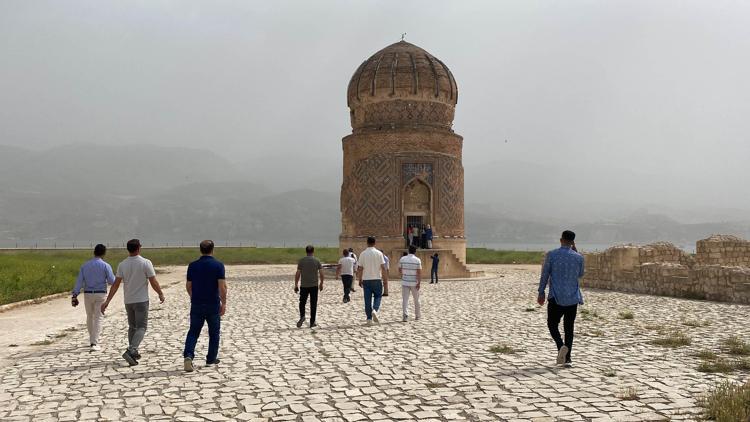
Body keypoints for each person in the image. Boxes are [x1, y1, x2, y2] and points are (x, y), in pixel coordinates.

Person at [101, 239, 165, 366]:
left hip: (128, 301)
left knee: (132, 327)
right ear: (139, 248)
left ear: (128, 249)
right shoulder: (146, 263)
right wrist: (160, 293)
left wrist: (108, 301)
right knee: (142, 327)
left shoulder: (122, 264)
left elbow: (116, 284)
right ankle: (131, 350)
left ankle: (133, 352)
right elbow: (153, 281)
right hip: (141, 300)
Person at [537, 230, 585, 367]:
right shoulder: (579, 257)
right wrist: (576, 251)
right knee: (569, 328)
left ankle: (560, 346)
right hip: (573, 297)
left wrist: (541, 292)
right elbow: (580, 274)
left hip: (556, 297)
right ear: (572, 242)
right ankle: (567, 358)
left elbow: (545, 274)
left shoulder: (552, 255)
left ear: (561, 240)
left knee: (552, 324)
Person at [183, 240, 227, 372]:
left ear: (200, 250)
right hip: (212, 303)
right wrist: (223, 302)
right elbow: (222, 287)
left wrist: (193, 296)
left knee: (193, 332)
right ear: (213, 250)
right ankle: (211, 358)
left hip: (196, 303)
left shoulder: (192, 266)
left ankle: (188, 356)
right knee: (214, 333)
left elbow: (188, 286)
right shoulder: (218, 265)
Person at [71, 244, 115, 351]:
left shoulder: (85, 266)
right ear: (104, 253)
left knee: (90, 316)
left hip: (88, 294)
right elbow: (112, 281)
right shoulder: (106, 266)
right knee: (98, 317)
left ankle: (92, 339)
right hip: (100, 294)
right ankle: (94, 342)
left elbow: (79, 282)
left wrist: (75, 295)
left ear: (94, 252)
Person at [357, 237, 388, 324]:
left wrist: (360, 279)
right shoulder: (379, 253)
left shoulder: (363, 254)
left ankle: (369, 319)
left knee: (367, 299)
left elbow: (360, 268)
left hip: (366, 279)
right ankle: (375, 309)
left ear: (367, 243)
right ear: (375, 243)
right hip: (377, 278)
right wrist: (385, 279)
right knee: (378, 296)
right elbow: (383, 267)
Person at [294, 245, 324, 328]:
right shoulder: (317, 261)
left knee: (302, 302)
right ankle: (312, 322)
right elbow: (321, 273)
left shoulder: (301, 261)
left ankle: (302, 316)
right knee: (313, 303)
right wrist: (321, 283)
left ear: (306, 251)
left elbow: (298, 273)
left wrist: (296, 284)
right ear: (313, 251)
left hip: (304, 285)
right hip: (314, 286)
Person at [398, 245, 422, 322]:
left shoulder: (402, 259)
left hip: (405, 281)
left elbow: (399, 269)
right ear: (415, 251)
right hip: (414, 282)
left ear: (408, 250)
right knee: (416, 299)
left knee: (405, 299)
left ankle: (405, 315)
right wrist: (419, 282)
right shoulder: (417, 260)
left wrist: (403, 275)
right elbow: (419, 272)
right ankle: (417, 315)